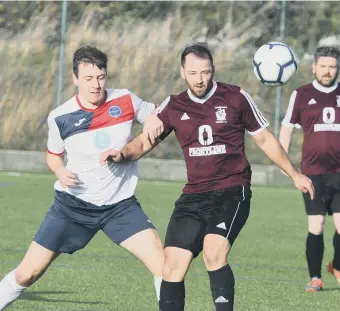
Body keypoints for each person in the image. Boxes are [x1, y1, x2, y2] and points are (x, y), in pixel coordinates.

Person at [100, 43, 314, 311]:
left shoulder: (235, 97)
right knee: (171, 265)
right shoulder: (174, 105)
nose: (199, 79)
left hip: (232, 190)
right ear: (182, 72)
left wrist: (294, 174)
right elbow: (144, 143)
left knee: (214, 252)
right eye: (193, 73)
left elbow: (264, 139)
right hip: (194, 195)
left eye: (205, 72)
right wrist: (121, 155)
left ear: (213, 69)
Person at [0, 46, 165, 310]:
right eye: (88, 79)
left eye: (101, 77)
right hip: (72, 207)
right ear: (75, 79)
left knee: (164, 267)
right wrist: (60, 171)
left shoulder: (125, 100)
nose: (96, 85)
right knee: (26, 274)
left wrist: (153, 120)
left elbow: (154, 114)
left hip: (119, 207)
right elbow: (53, 156)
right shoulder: (60, 117)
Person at [279, 45, 340, 292]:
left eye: (333, 67)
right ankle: (315, 277)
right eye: (323, 66)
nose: (328, 71)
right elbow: (287, 128)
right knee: (317, 226)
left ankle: (336, 264)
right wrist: (284, 164)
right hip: (313, 173)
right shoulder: (301, 94)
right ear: (314, 67)